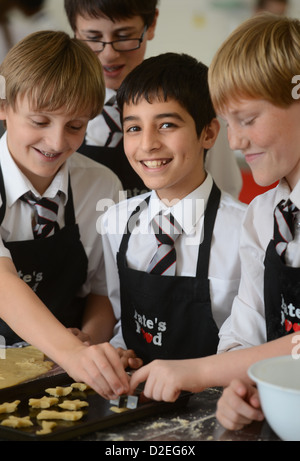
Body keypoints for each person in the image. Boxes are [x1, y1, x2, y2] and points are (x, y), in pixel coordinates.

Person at [126, 13, 300, 427]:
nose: (235, 141)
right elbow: (247, 330)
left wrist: (200, 372)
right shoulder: (263, 216)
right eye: (230, 121)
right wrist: (238, 389)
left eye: (249, 119)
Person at [0, 29, 138, 397]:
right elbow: (2, 281)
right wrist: (72, 352)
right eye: (40, 122)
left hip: (62, 374)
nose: (57, 142)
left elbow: (103, 292)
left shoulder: (101, 185)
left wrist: (90, 342)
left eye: (75, 126)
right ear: (3, 107)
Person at [99, 52, 246, 369]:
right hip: (134, 395)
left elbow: (253, 342)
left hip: (218, 399)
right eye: (134, 128)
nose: (148, 144)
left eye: (166, 124)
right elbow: (119, 319)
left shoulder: (245, 230)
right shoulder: (115, 222)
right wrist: (118, 350)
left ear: (208, 133)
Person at [64, 0, 242, 199]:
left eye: (124, 36)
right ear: (75, 32)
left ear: (152, 24)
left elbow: (224, 193)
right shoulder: (60, 110)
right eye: (93, 37)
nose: (109, 53)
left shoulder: (193, 98)